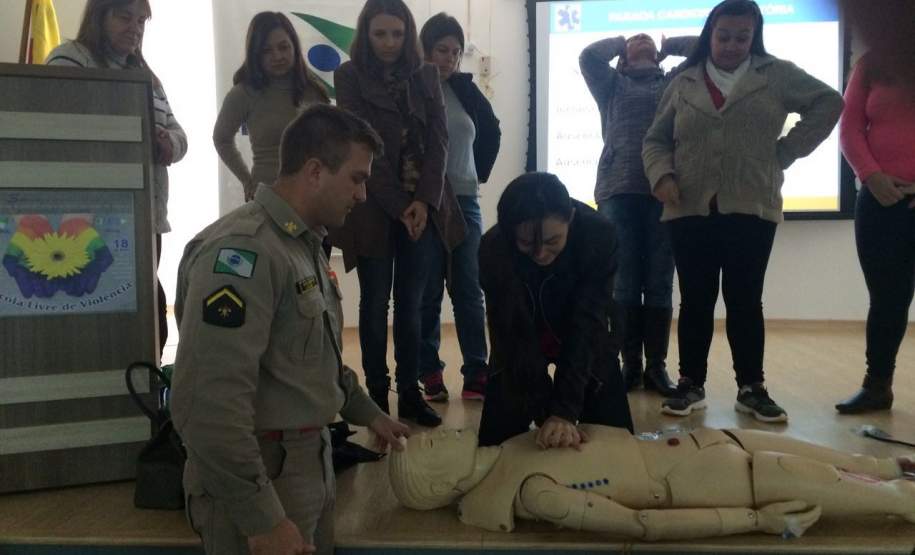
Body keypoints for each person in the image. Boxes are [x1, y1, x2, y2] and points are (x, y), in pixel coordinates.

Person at [170, 105, 410, 555]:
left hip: (305, 464)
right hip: (260, 478)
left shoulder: (303, 244)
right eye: (357, 178)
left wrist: (367, 412)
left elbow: (311, 358)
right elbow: (208, 405)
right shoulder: (244, 252)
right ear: (315, 171)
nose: (363, 195)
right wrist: (262, 519)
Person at [642, 0, 844, 423]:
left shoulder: (775, 74)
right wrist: (661, 176)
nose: (732, 45)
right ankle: (690, 384)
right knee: (695, 300)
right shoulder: (683, 81)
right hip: (689, 208)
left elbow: (829, 102)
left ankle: (751, 387)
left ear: (754, 36)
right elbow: (655, 140)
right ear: (709, 36)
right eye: (723, 36)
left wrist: (785, 152)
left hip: (751, 206)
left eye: (742, 37)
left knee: (745, 299)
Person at [389, 424, 915, 540]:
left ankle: (888, 469)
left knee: (872, 470)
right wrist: (754, 520)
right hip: (710, 477)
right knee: (895, 502)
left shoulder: (513, 446)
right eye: (433, 445)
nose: (441, 431)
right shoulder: (532, 490)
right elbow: (643, 524)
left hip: (702, 440)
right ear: (440, 484)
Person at [331, 0, 466, 428]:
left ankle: (409, 392)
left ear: (408, 34)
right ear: (365, 35)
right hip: (372, 204)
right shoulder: (349, 76)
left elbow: (440, 142)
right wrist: (398, 205)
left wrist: (423, 202)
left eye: (397, 34)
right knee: (374, 304)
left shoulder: (426, 74)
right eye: (380, 34)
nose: (389, 43)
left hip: (423, 207)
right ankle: (374, 395)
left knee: (412, 304)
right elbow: (360, 146)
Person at [45, 0, 187, 359]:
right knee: (100, 319)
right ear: (99, 16)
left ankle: (149, 398)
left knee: (150, 315)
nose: (135, 27)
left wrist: (168, 143)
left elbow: (180, 133)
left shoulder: (148, 77)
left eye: (142, 20)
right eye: (125, 16)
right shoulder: (71, 58)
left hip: (146, 218)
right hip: (87, 219)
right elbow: (53, 127)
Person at [477, 172, 633, 449]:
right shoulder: (494, 248)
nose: (539, 254)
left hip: (587, 337)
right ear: (509, 230)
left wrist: (564, 411)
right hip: (521, 339)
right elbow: (512, 332)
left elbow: (588, 324)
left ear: (570, 218)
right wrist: (546, 413)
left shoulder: (599, 235)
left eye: (552, 242)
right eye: (526, 243)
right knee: (495, 447)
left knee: (616, 447)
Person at [579, 32, 697, 397]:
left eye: (648, 41)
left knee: (660, 281)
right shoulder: (611, 83)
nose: (642, 40)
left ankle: (656, 368)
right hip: (619, 191)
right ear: (622, 58)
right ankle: (629, 366)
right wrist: (618, 41)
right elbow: (588, 57)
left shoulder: (675, 80)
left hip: (665, 191)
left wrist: (669, 44)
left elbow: (702, 48)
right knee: (625, 283)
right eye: (635, 41)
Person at [835, 0, 915, 414]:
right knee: (887, 298)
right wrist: (872, 176)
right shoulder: (873, 63)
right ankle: (877, 385)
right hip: (881, 201)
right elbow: (848, 127)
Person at [417, 12, 501, 403]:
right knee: (428, 287)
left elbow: (491, 129)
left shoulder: (466, 90)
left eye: (455, 51)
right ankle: (429, 372)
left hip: (465, 200)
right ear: (424, 50)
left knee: (469, 288)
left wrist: (477, 173)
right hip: (427, 200)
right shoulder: (413, 89)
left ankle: (477, 372)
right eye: (441, 50)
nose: (449, 59)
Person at [213, 11, 330, 202]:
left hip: (313, 196)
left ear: (295, 46)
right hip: (267, 196)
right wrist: (246, 180)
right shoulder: (244, 93)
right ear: (255, 54)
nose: (277, 56)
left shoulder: (314, 89)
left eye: (283, 47)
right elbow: (221, 138)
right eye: (267, 51)